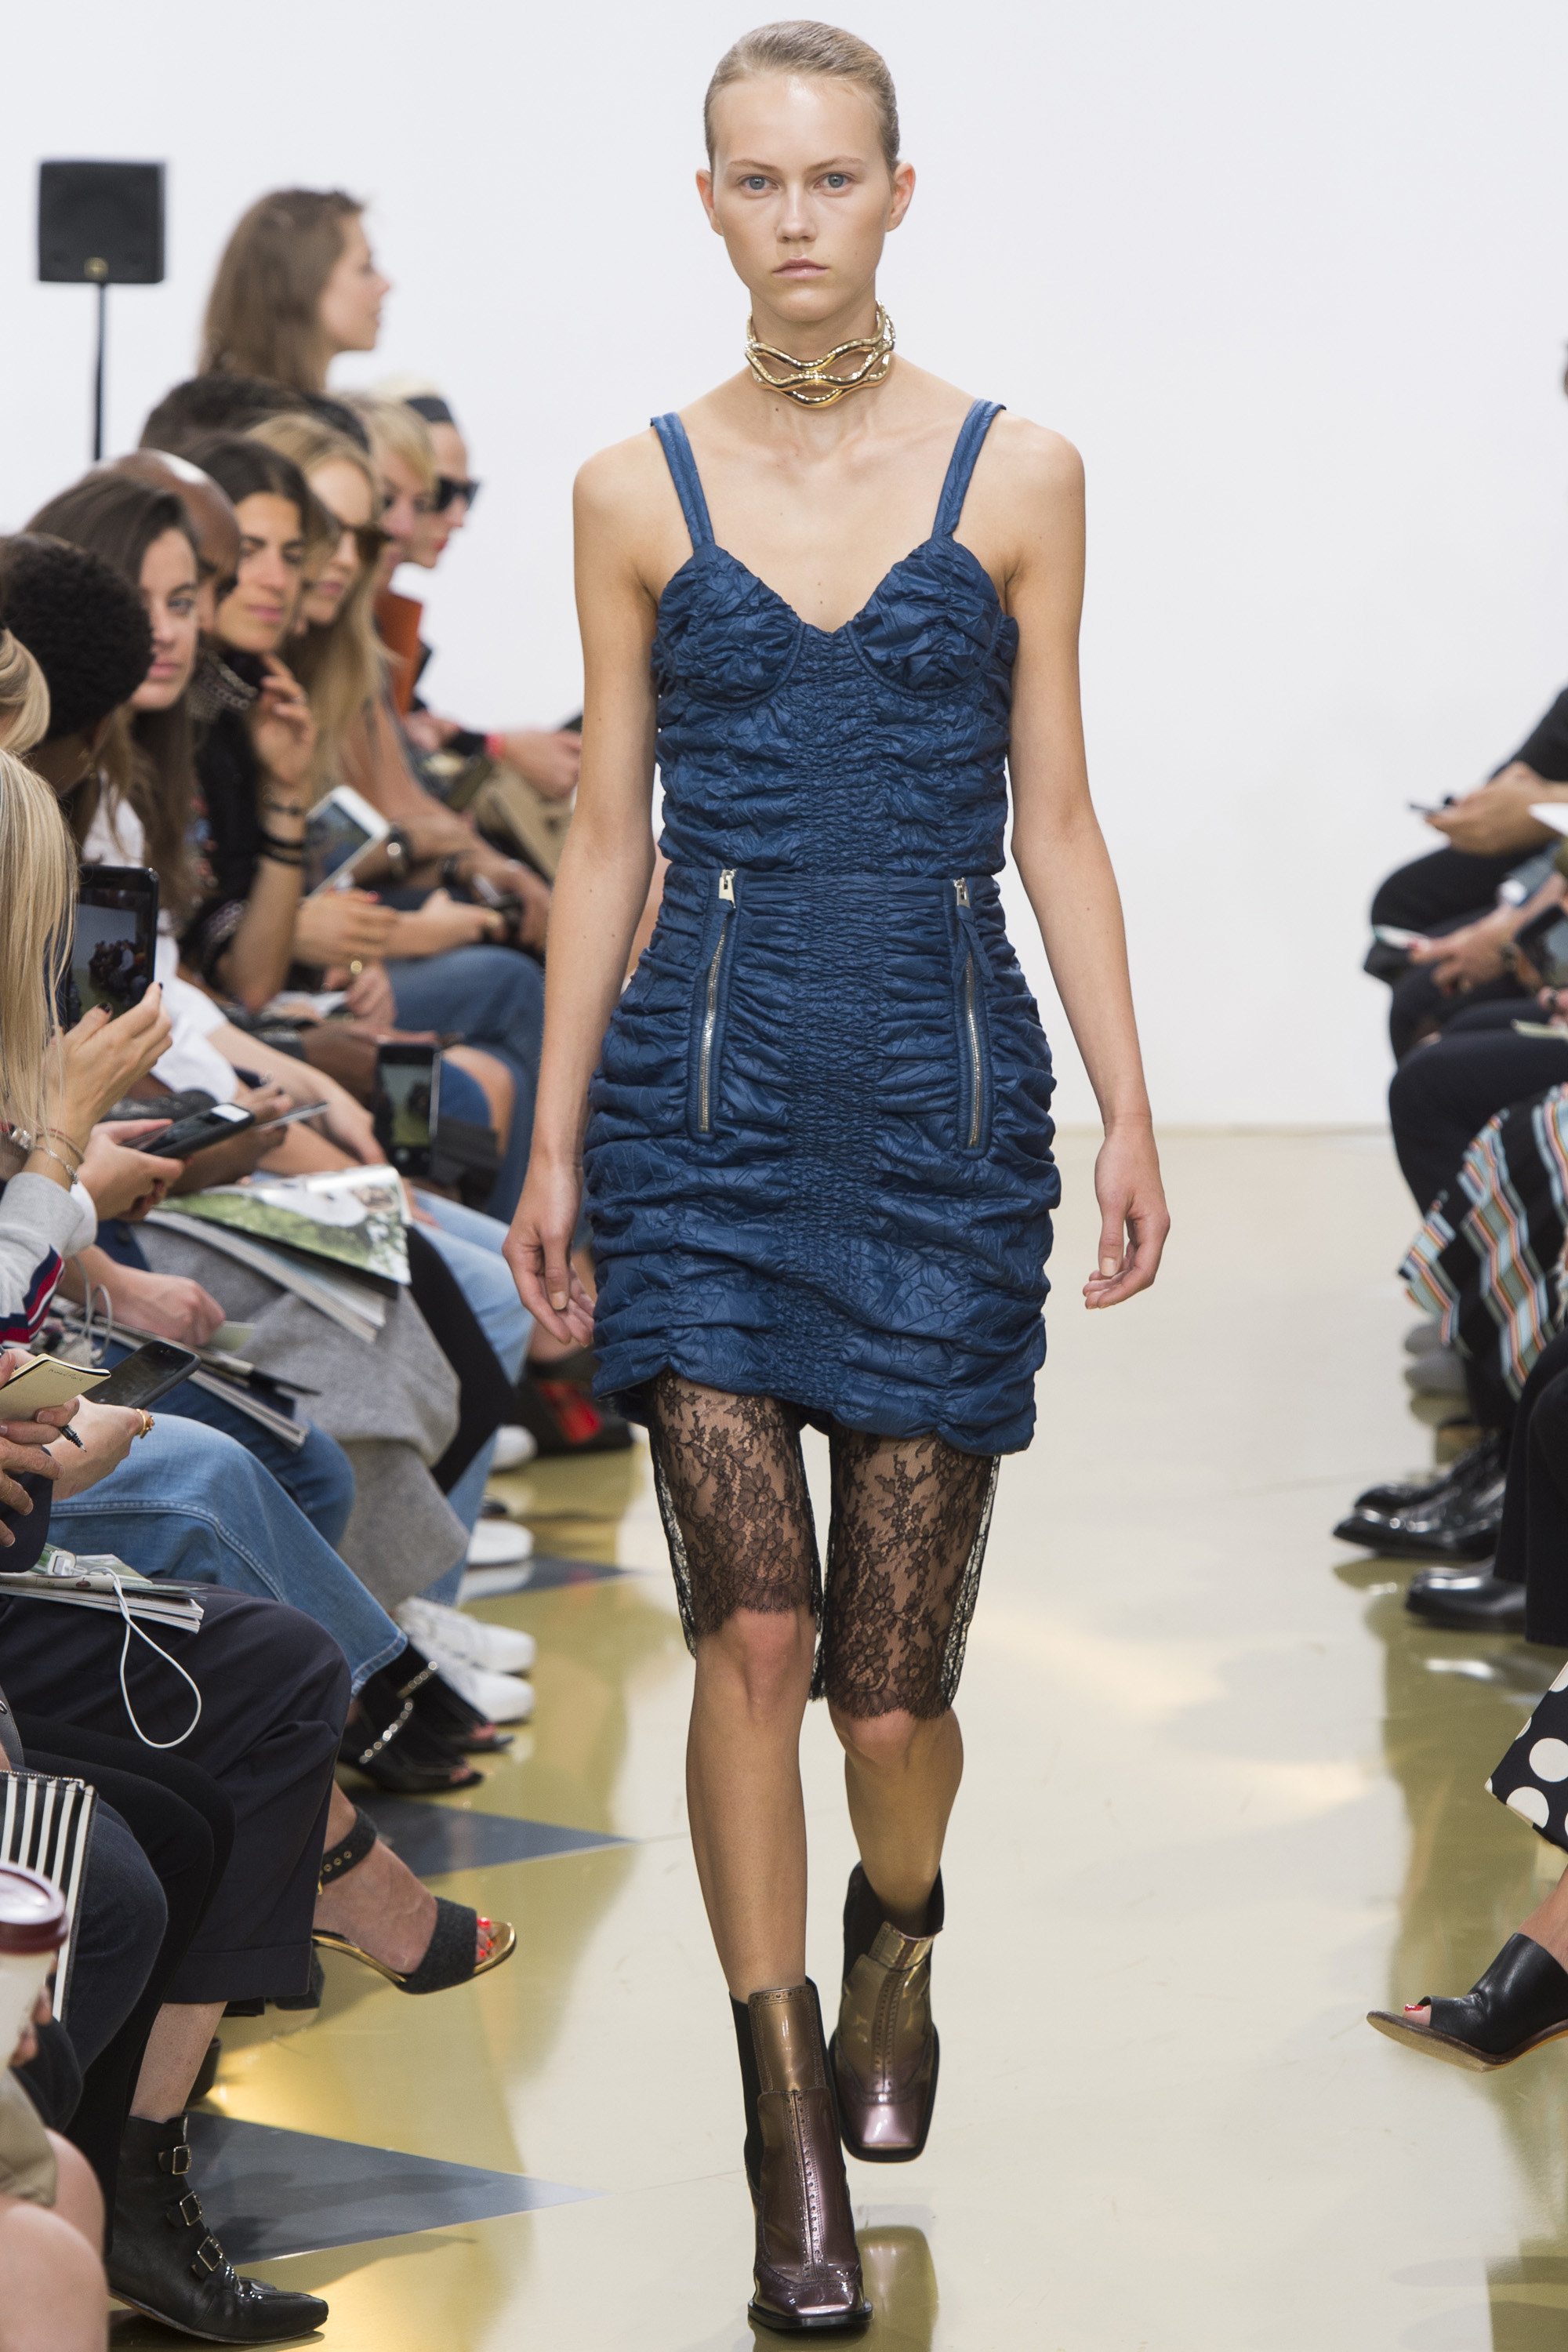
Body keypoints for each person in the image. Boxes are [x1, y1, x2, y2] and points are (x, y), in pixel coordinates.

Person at [503, 23, 1168, 2331]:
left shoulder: (1021, 472)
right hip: (694, 1116)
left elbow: (1053, 812)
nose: (795, 215)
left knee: (888, 1697)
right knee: (753, 1636)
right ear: (706, 200)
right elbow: (605, 832)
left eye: (832, 177)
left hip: (938, 1110)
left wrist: (1129, 1103)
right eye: (756, 178)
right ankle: (781, 2126)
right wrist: (553, 1138)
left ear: (898, 191)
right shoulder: (626, 487)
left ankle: (900, 1924)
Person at [200, 190, 388, 394]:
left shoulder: (215, 410)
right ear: (303, 281)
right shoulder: (261, 414)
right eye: (365, 268)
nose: (385, 285)